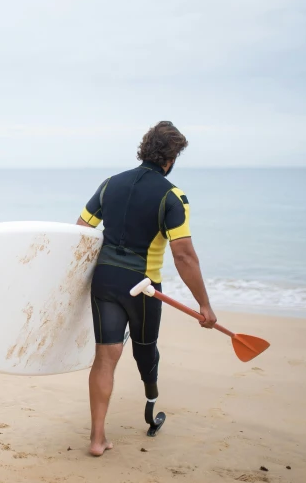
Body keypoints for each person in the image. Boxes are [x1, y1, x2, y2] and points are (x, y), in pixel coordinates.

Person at [75, 121, 217, 457]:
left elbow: (80, 233)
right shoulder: (172, 197)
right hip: (143, 288)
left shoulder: (110, 184)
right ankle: (151, 400)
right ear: (171, 158)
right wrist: (205, 306)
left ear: (144, 149)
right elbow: (184, 256)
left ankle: (97, 440)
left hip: (105, 280)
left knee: (106, 357)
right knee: (145, 350)